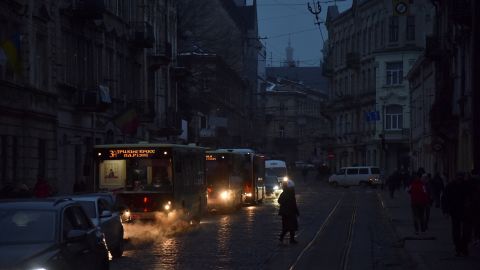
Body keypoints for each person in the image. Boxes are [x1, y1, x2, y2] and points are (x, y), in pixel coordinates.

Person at [443, 172, 474, 257]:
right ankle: (459, 248)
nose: (459, 178)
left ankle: (463, 247)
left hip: (465, 211)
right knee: (457, 230)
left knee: (466, 231)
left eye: (461, 177)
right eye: (458, 177)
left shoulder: (467, 186)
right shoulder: (451, 186)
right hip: (456, 211)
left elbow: (473, 198)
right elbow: (445, 198)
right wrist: (446, 211)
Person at [407, 169, 429, 235]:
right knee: (422, 216)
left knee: (415, 216)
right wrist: (426, 202)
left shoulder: (412, 184)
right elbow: (425, 193)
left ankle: (417, 230)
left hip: (414, 202)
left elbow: (408, 191)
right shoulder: (422, 185)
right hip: (422, 203)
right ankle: (423, 230)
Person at [278, 180, 299, 244]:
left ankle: (290, 239)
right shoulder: (289, 194)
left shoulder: (286, 193)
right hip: (289, 212)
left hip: (287, 212)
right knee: (289, 226)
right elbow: (280, 201)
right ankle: (285, 238)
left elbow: (280, 201)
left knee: (290, 226)